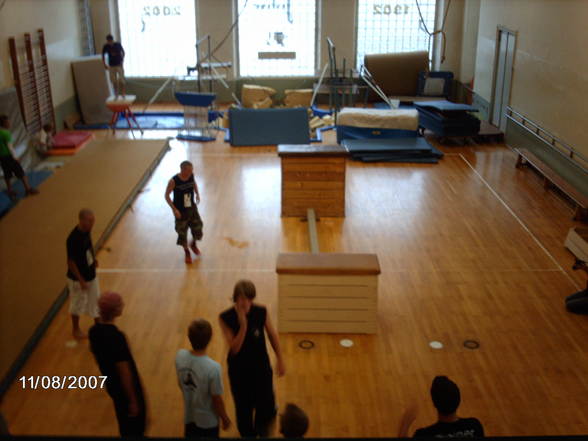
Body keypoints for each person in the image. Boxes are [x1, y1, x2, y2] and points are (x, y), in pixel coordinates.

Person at [219, 280, 286, 437]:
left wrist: (280, 359)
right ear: (235, 299)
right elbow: (234, 349)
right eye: (242, 299)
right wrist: (243, 325)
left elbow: (272, 335)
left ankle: (262, 431)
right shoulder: (225, 317)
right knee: (244, 412)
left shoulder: (261, 311)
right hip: (239, 373)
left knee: (266, 408)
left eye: (249, 298)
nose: (246, 303)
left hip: (261, 369)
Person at [89, 292, 147, 437]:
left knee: (123, 421)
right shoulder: (117, 337)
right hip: (124, 390)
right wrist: (132, 400)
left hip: (111, 384)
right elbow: (124, 371)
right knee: (134, 425)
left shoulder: (93, 332)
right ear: (115, 311)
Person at [175, 319, 231, 438]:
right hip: (208, 423)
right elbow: (217, 399)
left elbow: (181, 383)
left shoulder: (179, 356)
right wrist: (225, 418)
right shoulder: (213, 368)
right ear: (210, 339)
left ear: (189, 337)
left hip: (189, 418)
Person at [398, 376, 484, 438]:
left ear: (434, 403)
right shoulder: (474, 426)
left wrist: (405, 424)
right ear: (458, 400)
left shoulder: (424, 435)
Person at [66, 208, 100, 338]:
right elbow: (70, 262)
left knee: (95, 300)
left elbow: (88, 247)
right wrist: (80, 280)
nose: (92, 224)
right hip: (78, 279)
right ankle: (75, 329)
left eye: (93, 221)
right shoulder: (72, 239)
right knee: (77, 304)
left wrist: (93, 258)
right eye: (90, 221)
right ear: (81, 220)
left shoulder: (87, 231)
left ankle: (98, 326)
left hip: (91, 274)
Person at [165, 160, 203, 264]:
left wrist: (197, 193)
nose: (191, 172)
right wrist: (174, 209)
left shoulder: (191, 175)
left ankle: (193, 244)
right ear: (182, 169)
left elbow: (193, 183)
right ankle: (187, 252)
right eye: (189, 170)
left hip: (191, 207)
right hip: (180, 211)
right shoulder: (174, 181)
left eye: (192, 170)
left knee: (198, 228)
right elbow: (166, 196)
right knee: (182, 234)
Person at [0, 114, 39, 201]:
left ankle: (10, 191)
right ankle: (28, 189)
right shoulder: (6, 133)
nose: (9, 123)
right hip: (10, 157)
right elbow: (10, 147)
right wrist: (15, 157)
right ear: (5, 123)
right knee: (21, 172)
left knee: (7, 174)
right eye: (8, 122)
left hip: (2, 158)